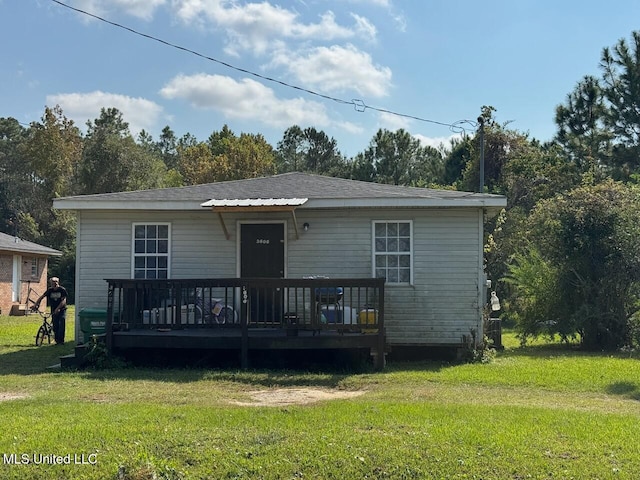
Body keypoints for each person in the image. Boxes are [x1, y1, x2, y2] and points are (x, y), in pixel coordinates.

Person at [34, 277, 68, 345]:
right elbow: (42, 297)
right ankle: (57, 340)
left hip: (61, 309)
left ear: (58, 282)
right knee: (55, 325)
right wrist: (36, 304)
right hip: (53, 309)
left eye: (55, 281)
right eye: (52, 282)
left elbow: (63, 301)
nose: (54, 283)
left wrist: (58, 308)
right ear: (50, 283)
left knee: (61, 322)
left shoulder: (62, 290)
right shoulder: (50, 290)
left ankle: (61, 341)